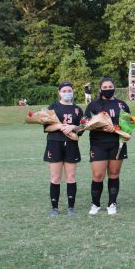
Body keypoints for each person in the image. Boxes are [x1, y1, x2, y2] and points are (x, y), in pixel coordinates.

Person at [85, 77, 131, 215]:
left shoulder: (122, 105)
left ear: (114, 87)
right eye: (104, 87)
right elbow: (85, 124)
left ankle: (112, 204)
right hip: (98, 143)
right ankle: (95, 204)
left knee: (114, 174)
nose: (108, 89)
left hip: (117, 143)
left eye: (110, 87)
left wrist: (117, 128)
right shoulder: (93, 105)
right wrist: (102, 128)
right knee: (98, 175)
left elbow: (128, 124)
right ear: (100, 89)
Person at [44, 82, 83, 217]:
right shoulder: (53, 107)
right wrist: (60, 126)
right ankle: (54, 208)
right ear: (59, 92)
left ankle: (71, 207)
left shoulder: (78, 109)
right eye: (64, 90)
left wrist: (73, 127)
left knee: (71, 177)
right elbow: (47, 128)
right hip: (55, 143)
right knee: (55, 177)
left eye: (69, 90)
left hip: (71, 144)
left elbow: (82, 128)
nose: (67, 92)